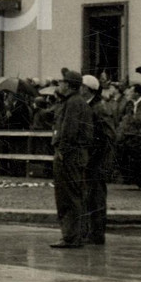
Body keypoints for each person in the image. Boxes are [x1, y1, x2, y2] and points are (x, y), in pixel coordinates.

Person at [50, 68, 93, 249]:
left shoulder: (74, 103)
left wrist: (62, 151)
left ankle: (70, 236)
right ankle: (75, 234)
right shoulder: (74, 102)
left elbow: (69, 130)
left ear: (68, 85)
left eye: (62, 82)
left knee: (68, 196)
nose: (59, 84)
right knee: (73, 194)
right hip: (74, 154)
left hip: (70, 156)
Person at [82, 74, 116, 245]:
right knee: (89, 196)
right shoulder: (90, 106)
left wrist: (95, 155)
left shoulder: (98, 108)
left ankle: (96, 233)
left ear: (87, 89)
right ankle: (90, 231)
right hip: (92, 159)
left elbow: (108, 135)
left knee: (96, 196)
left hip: (97, 160)